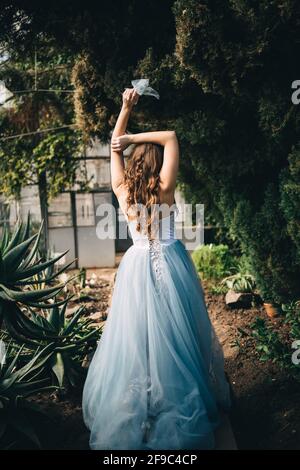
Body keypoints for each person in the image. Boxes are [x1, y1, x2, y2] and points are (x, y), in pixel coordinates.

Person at [82, 88, 230, 450]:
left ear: (134, 165)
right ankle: (175, 394)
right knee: (178, 335)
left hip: (135, 266)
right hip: (170, 260)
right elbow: (171, 136)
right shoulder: (165, 187)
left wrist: (125, 110)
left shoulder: (121, 189)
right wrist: (138, 135)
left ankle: (142, 404)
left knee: (138, 338)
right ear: (158, 162)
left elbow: (114, 143)